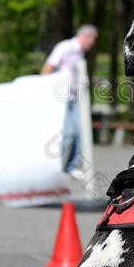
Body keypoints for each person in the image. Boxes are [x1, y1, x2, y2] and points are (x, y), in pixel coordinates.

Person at [41, 24, 98, 177]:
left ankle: (70, 166)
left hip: (73, 98)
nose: (92, 44)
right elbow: (48, 67)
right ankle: (55, 167)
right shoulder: (65, 47)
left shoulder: (79, 53)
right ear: (86, 36)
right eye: (92, 40)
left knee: (80, 132)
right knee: (66, 134)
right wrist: (45, 90)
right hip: (61, 99)